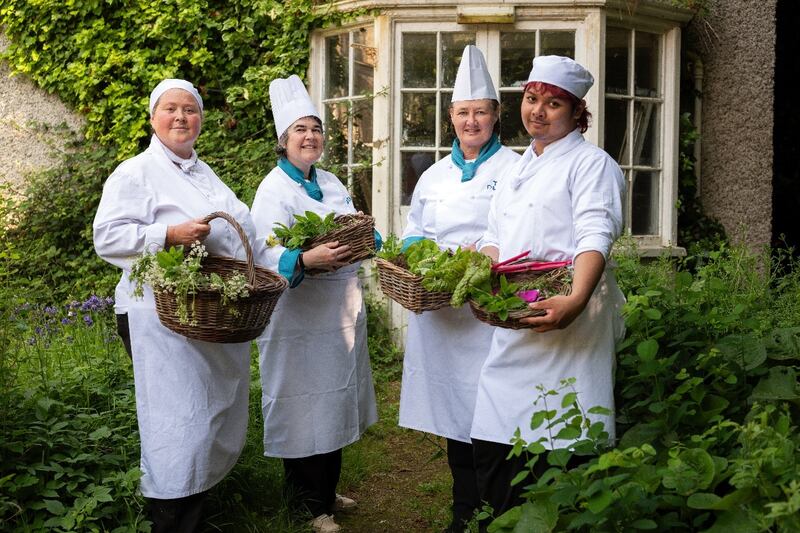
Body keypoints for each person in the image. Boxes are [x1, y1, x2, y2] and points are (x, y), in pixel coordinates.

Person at [93, 79, 257, 532]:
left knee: (207, 415)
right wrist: (168, 235)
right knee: (176, 419)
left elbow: (242, 228)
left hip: (206, 313)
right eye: (171, 109)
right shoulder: (135, 173)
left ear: (201, 119)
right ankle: (170, 521)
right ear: (153, 118)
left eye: (190, 109)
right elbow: (106, 237)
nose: (182, 117)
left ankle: (197, 511)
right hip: (157, 315)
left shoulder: (204, 173)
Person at [471, 55, 627, 523]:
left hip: (570, 320)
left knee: (564, 441)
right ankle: (502, 520)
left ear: (578, 112)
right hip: (517, 316)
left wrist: (576, 300)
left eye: (553, 103)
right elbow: (493, 237)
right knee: (495, 435)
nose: (537, 111)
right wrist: (477, 275)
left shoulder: (590, 164)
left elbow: (595, 233)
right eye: (532, 99)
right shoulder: (518, 167)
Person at [398, 45, 521, 533]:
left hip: (490, 309)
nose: (472, 121)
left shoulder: (514, 169)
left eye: (481, 112)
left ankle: (500, 510)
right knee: (455, 415)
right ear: (451, 117)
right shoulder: (433, 175)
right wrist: (421, 263)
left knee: (494, 410)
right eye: (463, 113)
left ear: (495, 116)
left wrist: (481, 263)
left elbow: (519, 234)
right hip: (443, 315)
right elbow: (414, 232)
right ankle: (463, 511)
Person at [250, 75, 378, 533]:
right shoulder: (272, 190)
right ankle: (308, 507)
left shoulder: (330, 181)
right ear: (283, 141)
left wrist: (370, 236)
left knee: (334, 400)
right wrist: (303, 257)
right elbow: (262, 251)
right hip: (296, 320)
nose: (310, 137)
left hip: (337, 313)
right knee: (301, 403)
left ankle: (325, 492)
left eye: (316, 129)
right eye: (300, 130)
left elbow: (352, 224)